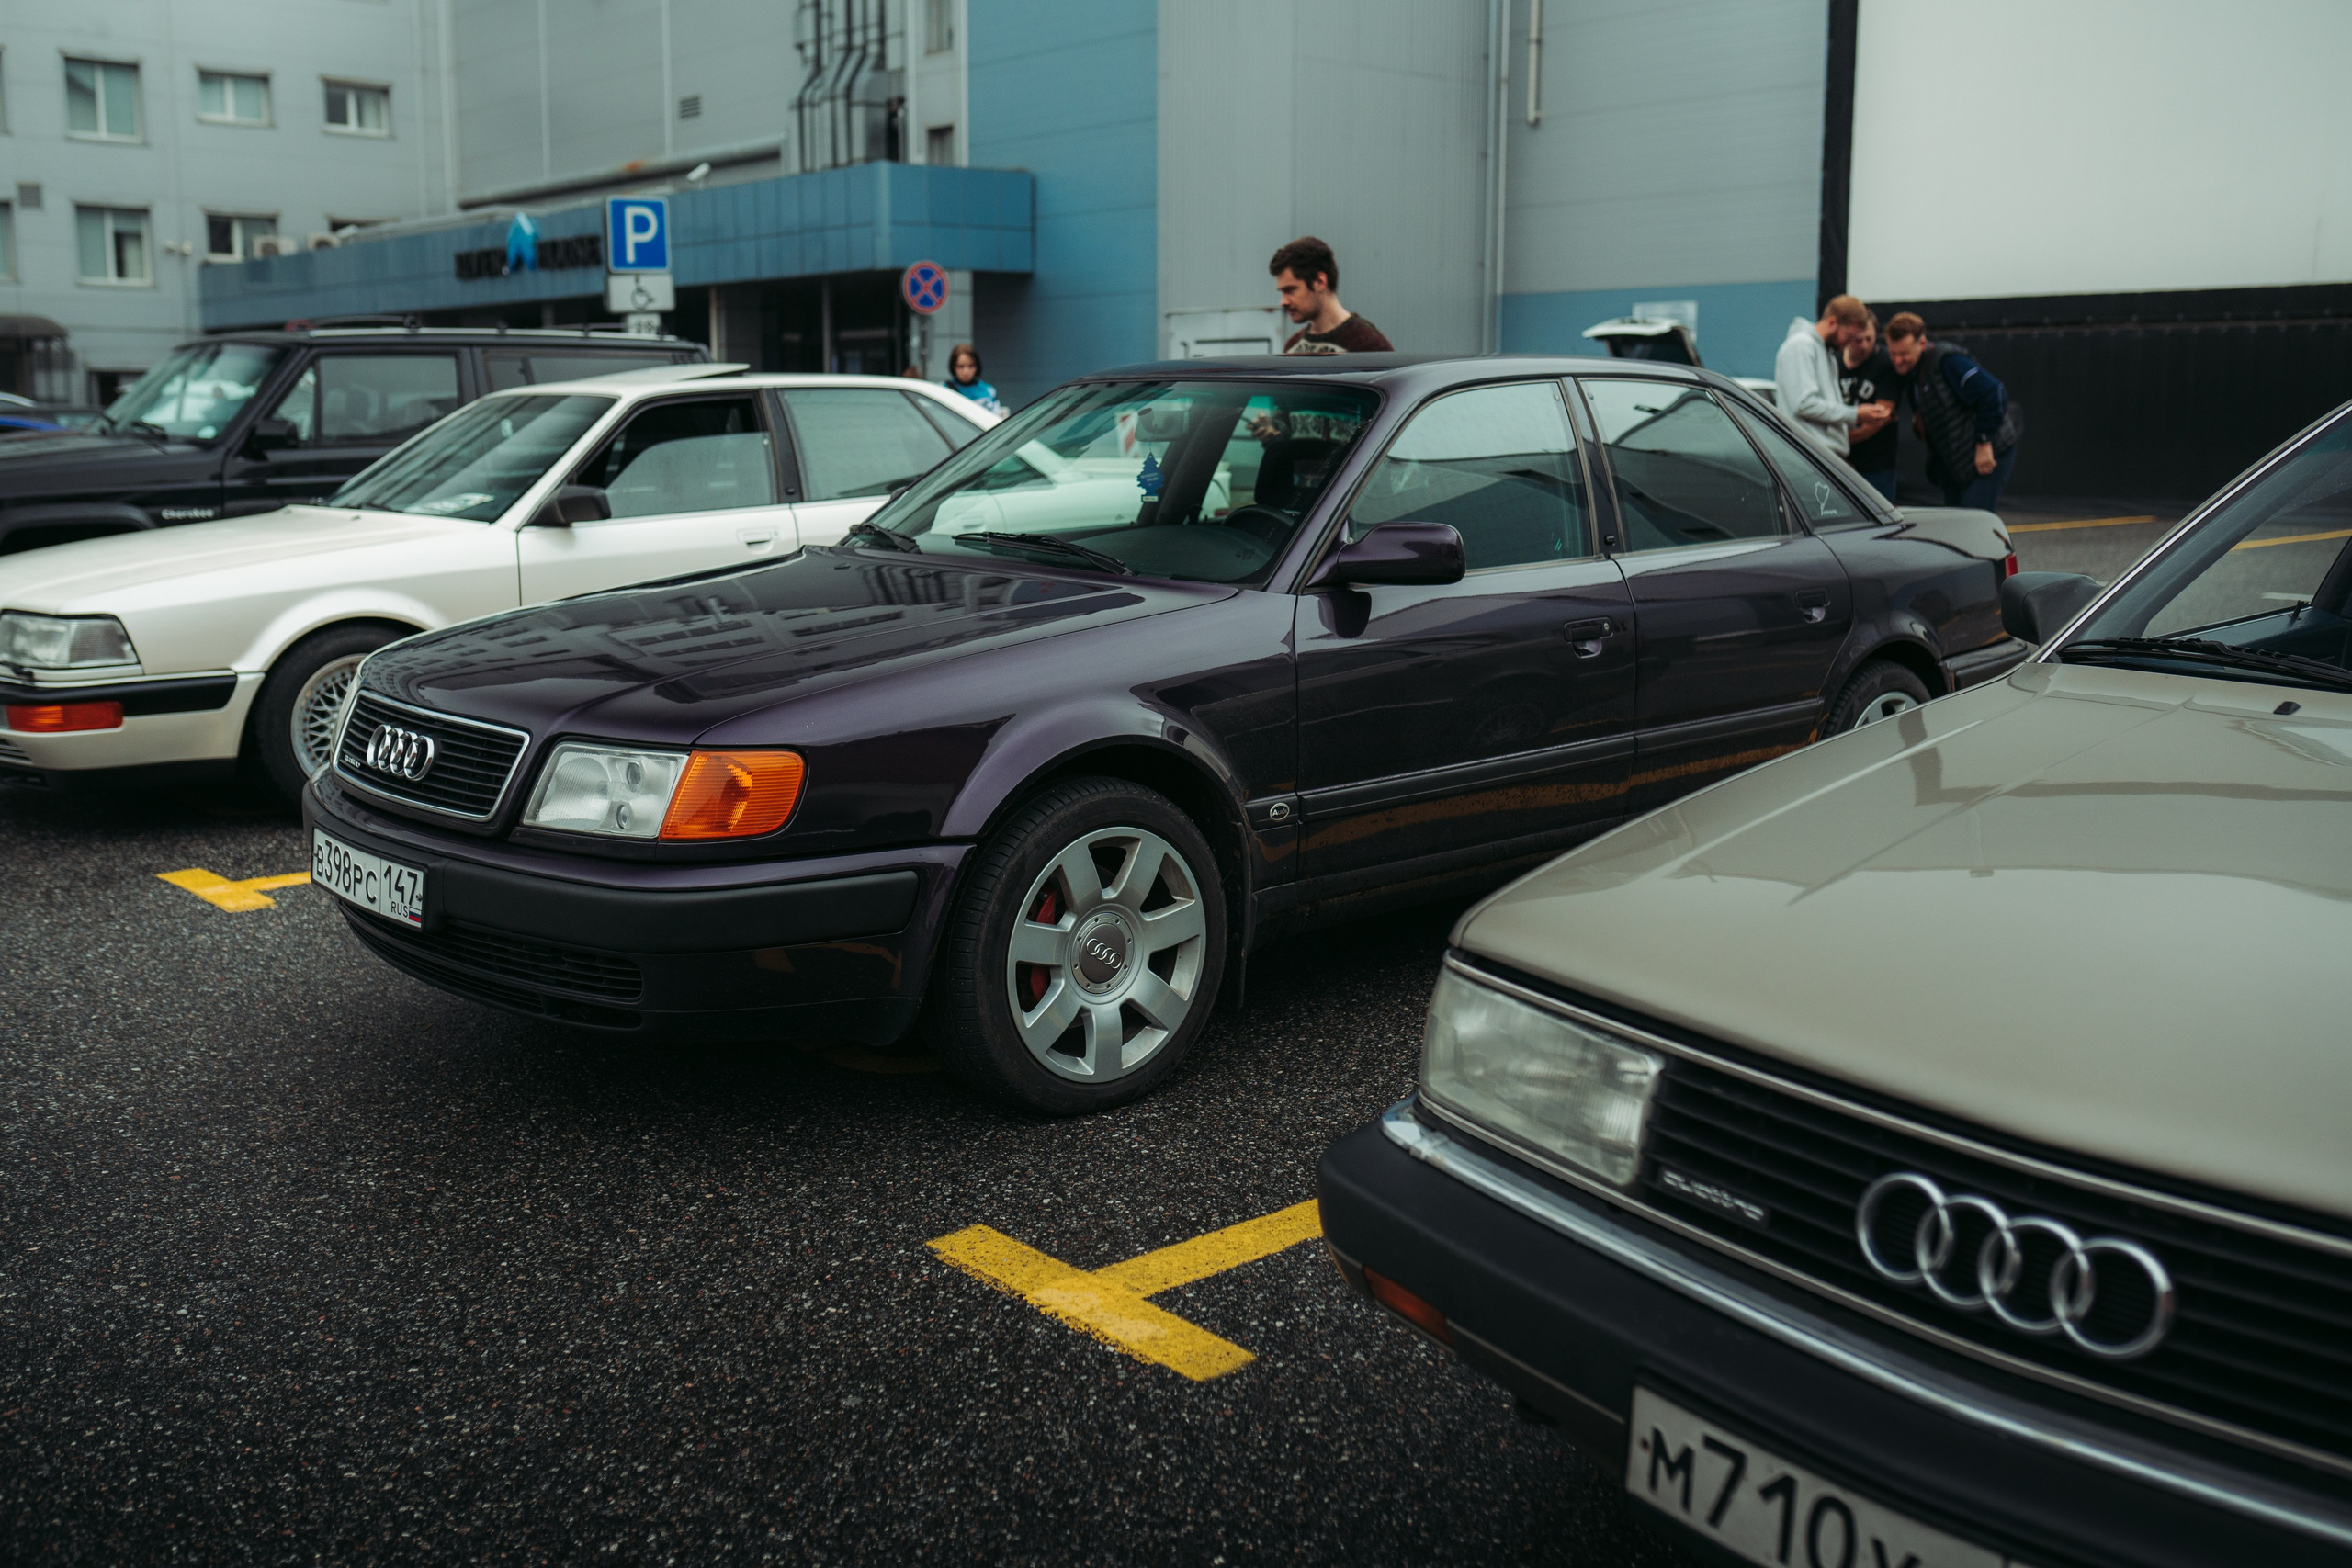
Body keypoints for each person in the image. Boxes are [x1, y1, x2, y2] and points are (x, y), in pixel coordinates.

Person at [1883, 313, 2022, 510]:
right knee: (1958, 523)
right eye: (1892, 354)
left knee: (1974, 523)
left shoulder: (1948, 361)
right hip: (1957, 465)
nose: (1898, 360)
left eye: (1904, 354)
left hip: (1989, 453)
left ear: (1922, 343)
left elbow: (1993, 392)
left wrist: (1984, 441)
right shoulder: (1911, 372)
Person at [1776, 294, 1890, 461]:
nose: (1849, 343)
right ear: (1832, 323)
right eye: (1849, 336)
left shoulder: (1825, 353)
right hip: (1807, 457)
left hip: (1819, 457)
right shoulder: (1801, 346)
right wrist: (1855, 414)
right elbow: (1803, 404)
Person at [1270, 236, 1393, 355]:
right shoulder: (1292, 348)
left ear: (1320, 281)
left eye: (1290, 290)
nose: (1283, 302)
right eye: (1281, 292)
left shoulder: (1368, 345)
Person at [1838, 312, 1905, 502]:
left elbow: (1880, 419)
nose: (1865, 345)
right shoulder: (1833, 362)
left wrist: (1838, 442)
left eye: (1870, 338)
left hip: (1877, 465)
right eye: (1859, 340)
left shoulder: (1885, 362)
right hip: (1840, 463)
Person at [943, 343, 1005, 415]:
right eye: (961, 366)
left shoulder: (988, 391)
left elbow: (994, 418)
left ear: (977, 366)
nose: (966, 372)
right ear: (953, 367)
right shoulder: (943, 390)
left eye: (971, 366)